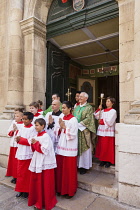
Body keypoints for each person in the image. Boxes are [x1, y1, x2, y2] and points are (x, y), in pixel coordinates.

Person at [28, 118, 57, 210]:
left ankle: (46, 201)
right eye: (35, 125)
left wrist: (35, 143)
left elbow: (44, 150)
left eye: (37, 125)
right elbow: (34, 148)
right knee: (38, 182)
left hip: (45, 162)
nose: (35, 127)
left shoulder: (45, 136)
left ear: (42, 126)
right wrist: (33, 143)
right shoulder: (37, 135)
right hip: (38, 161)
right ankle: (38, 200)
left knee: (45, 183)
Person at [55, 101, 78, 198]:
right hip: (61, 146)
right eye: (62, 108)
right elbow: (56, 131)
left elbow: (73, 134)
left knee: (69, 170)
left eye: (64, 108)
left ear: (70, 109)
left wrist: (64, 128)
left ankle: (69, 191)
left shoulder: (73, 120)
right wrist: (60, 128)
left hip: (69, 147)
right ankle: (60, 189)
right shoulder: (61, 117)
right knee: (60, 169)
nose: (62, 109)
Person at [15, 112, 37, 198]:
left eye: (26, 119)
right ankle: (20, 189)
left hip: (28, 153)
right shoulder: (21, 127)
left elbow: (32, 141)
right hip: (21, 152)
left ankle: (27, 190)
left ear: (31, 120)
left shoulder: (33, 129)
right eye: (23, 119)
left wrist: (21, 139)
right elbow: (17, 137)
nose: (23, 120)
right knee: (20, 172)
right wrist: (17, 139)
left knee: (26, 173)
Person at [73, 92, 96, 174]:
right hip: (76, 131)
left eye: (81, 97)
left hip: (84, 131)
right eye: (79, 97)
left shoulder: (89, 107)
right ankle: (77, 165)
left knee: (85, 149)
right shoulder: (77, 107)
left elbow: (89, 119)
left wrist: (78, 124)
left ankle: (84, 166)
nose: (79, 98)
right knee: (76, 148)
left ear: (86, 98)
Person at [94, 97, 117, 168]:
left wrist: (102, 121)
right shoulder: (103, 111)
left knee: (108, 146)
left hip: (108, 132)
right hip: (101, 131)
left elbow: (110, 121)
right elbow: (96, 116)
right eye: (106, 101)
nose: (107, 102)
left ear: (112, 103)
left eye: (109, 101)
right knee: (102, 146)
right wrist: (98, 109)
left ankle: (108, 161)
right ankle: (102, 160)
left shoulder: (113, 111)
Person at [6, 111, 23, 184]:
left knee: (17, 162)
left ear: (21, 117)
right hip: (12, 145)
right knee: (12, 162)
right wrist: (13, 130)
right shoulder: (13, 122)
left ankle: (17, 176)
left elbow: (22, 134)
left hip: (18, 146)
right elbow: (8, 133)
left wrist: (17, 130)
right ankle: (13, 175)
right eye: (15, 116)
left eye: (17, 116)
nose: (15, 118)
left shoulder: (23, 124)